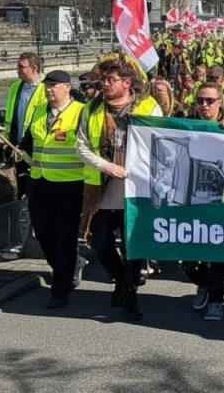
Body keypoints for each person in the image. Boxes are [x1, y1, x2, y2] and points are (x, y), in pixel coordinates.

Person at [76, 56, 160, 321]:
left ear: (127, 82)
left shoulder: (148, 106)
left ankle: (129, 294)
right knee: (100, 242)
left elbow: (162, 142)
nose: (106, 84)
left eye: (112, 80)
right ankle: (121, 280)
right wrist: (105, 166)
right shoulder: (91, 109)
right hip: (103, 189)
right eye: (104, 79)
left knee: (132, 246)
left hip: (137, 190)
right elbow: (81, 146)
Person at [19, 70, 84, 309]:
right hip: (40, 181)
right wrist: (16, 150)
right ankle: (68, 267)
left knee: (64, 237)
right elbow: (29, 141)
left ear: (67, 87)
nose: (48, 90)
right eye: (47, 86)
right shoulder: (38, 111)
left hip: (70, 184)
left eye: (54, 86)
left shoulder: (80, 112)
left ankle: (60, 288)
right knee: (43, 234)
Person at [182, 82, 224, 321]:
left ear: (220, 103)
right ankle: (203, 282)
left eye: (210, 101)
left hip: (221, 202)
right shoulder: (183, 125)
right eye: (200, 100)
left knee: (217, 254)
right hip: (190, 200)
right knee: (186, 255)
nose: (204, 105)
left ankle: (216, 300)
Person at [0, 52, 47, 261]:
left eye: (22, 67)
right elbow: (12, 116)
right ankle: (25, 241)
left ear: (34, 69)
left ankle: (32, 241)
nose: (18, 70)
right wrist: (7, 140)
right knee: (22, 195)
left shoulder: (45, 89)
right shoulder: (15, 87)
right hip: (17, 147)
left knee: (34, 196)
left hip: (36, 150)